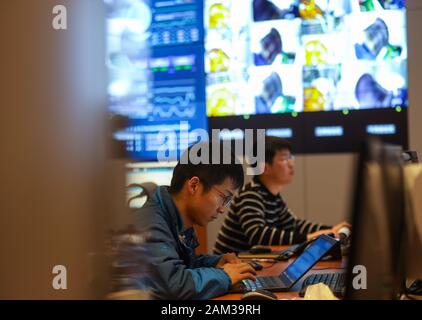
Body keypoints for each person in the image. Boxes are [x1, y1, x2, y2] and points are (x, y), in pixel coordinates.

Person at [136, 141, 257, 299]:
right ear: (194, 185)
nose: (222, 209)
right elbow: (173, 284)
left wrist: (215, 262)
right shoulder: (152, 224)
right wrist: (225, 276)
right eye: (224, 197)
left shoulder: (175, 217)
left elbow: (183, 264)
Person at [214, 136, 350, 254]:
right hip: (225, 269)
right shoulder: (250, 194)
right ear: (264, 167)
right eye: (285, 159)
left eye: (291, 158)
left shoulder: (272, 196)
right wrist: (309, 237)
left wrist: (330, 229)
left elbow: (293, 224)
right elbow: (258, 235)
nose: (291, 164)